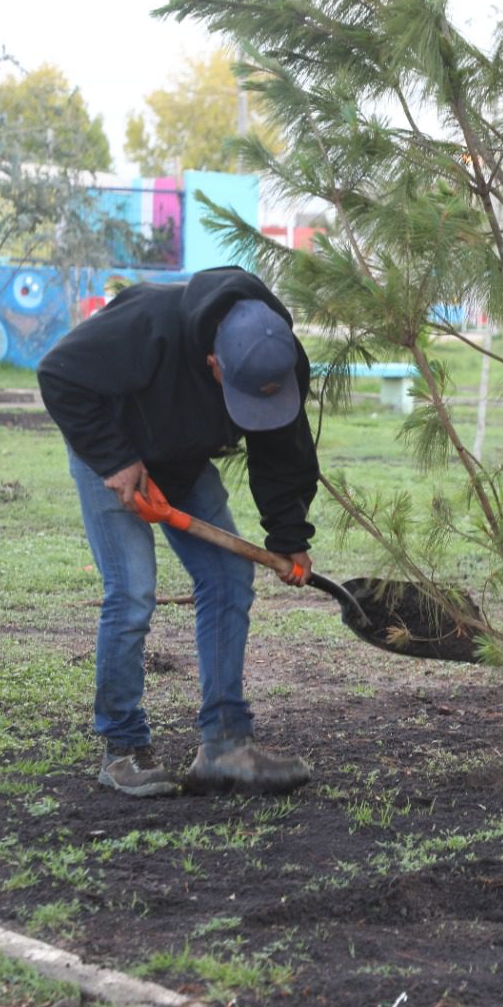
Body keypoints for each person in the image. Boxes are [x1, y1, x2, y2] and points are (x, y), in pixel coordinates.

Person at [38, 266, 320, 797]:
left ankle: (225, 746)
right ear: (213, 362)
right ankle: (123, 748)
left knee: (229, 577)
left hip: (183, 463)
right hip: (113, 453)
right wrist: (117, 460)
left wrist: (289, 535)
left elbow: (283, 447)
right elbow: (58, 375)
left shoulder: (277, 355)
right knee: (133, 591)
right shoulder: (148, 324)